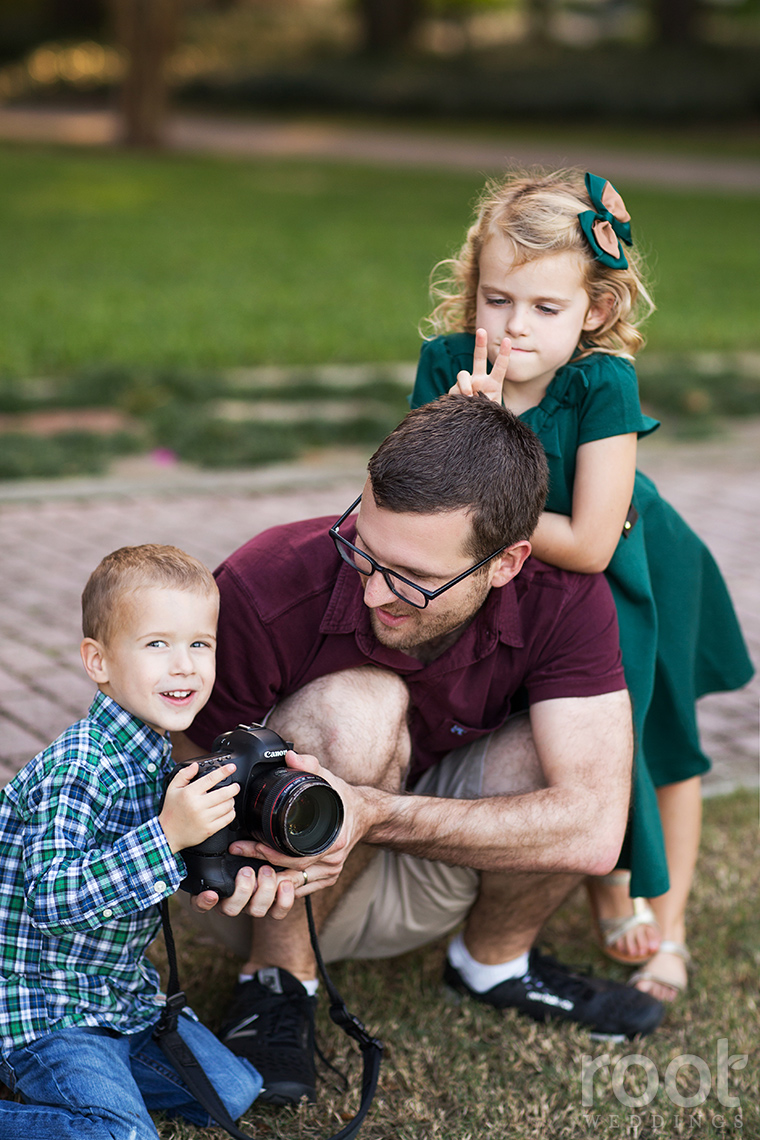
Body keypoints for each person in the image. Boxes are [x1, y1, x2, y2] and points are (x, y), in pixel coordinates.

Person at [173, 394, 666, 1109]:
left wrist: (372, 814)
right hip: (264, 886)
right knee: (362, 706)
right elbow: (182, 767)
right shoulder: (268, 580)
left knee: (571, 762)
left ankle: (494, 963)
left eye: (411, 578)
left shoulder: (563, 597)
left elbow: (592, 830)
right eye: (363, 551)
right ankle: (278, 981)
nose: (375, 591)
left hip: (422, 869)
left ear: (507, 562)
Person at [409, 168, 754, 1003]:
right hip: (524, 586)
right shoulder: (448, 365)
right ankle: (603, 876)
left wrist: (481, 467)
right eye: (498, 300)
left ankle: (665, 929)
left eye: (545, 308)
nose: (515, 326)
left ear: (593, 312)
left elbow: (592, 543)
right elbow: (421, 508)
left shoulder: (602, 383)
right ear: (475, 292)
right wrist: (467, 423)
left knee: (652, 741)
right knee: (554, 737)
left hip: (637, 573)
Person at [0, 544, 265, 1140]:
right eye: (157, 644)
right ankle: (67, 1087)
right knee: (118, 1134)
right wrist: (167, 836)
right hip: (43, 1008)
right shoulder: (79, 768)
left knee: (235, 1092)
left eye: (201, 644)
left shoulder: (158, 758)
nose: (185, 666)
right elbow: (54, 900)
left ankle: (103, 1077)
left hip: (120, 998)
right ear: (98, 661)